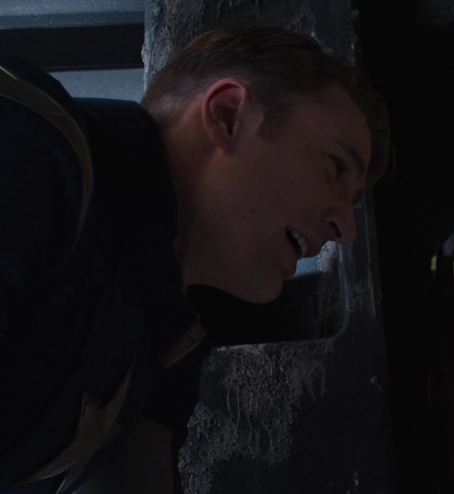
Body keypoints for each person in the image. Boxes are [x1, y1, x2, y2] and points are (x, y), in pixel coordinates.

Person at [0, 23, 390, 494]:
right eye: (334, 167)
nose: (346, 231)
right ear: (227, 116)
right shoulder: (34, 145)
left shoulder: (167, 353)